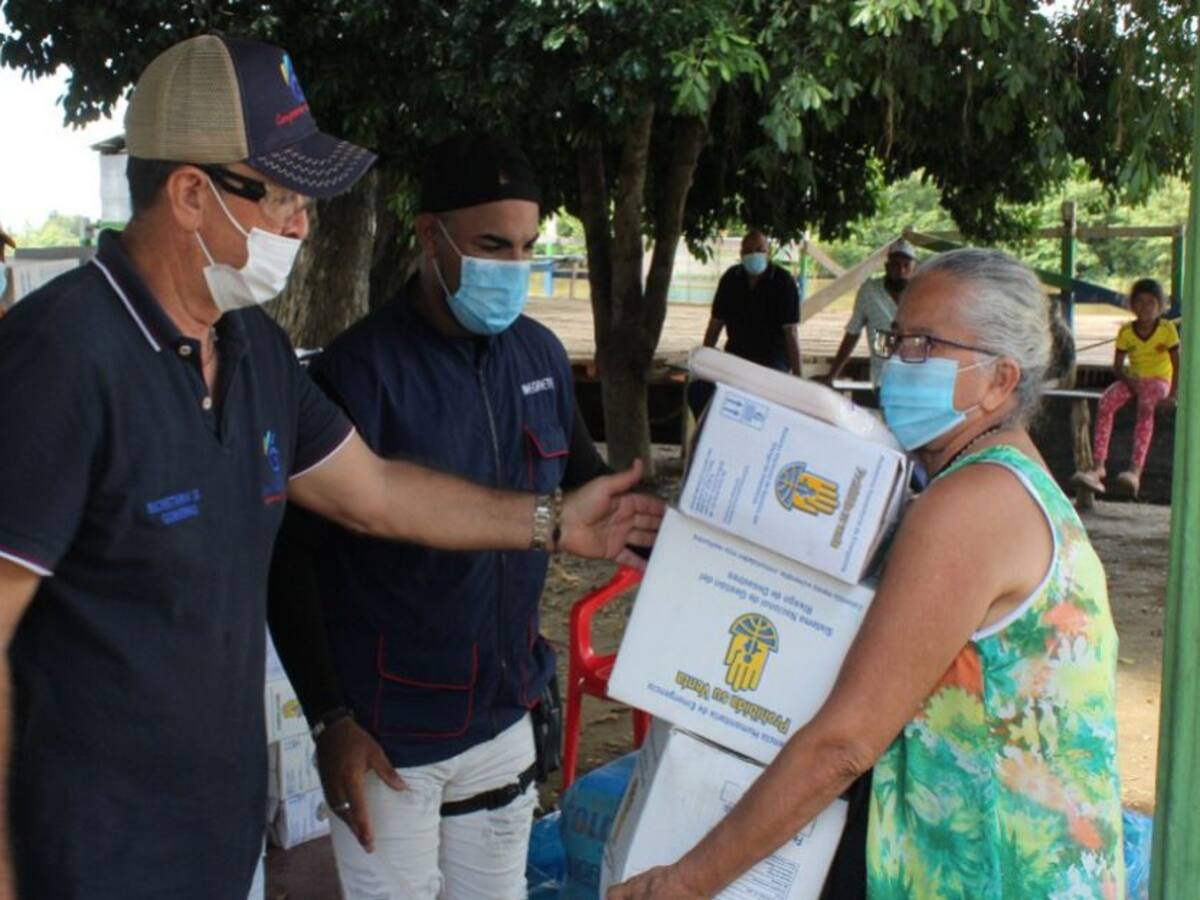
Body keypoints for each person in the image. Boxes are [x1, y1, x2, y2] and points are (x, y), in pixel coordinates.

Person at [0, 35, 662, 899]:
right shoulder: (60, 358)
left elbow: (376, 492)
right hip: (83, 855)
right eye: (280, 194)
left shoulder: (252, 352)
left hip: (216, 840)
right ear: (193, 194)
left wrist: (551, 520)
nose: (303, 223)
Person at [609, 248, 1124, 900]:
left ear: (1000, 380)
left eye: (923, 345)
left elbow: (846, 744)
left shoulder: (972, 505)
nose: (894, 363)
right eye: (894, 339)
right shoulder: (992, 483)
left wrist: (687, 882)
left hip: (992, 873)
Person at [266, 132, 619, 899]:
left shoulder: (540, 358)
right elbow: (290, 560)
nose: (513, 267)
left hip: (504, 714)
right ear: (432, 236)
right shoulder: (359, 372)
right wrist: (331, 718)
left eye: (528, 247)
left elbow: (594, 491)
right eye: (492, 245)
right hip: (390, 733)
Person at [1073, 277, 1179, 497]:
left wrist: (1173, 394)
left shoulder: (1167, 330)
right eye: (1139, 302)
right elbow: (1118, 367)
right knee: (1105, 403)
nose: (1145, 307)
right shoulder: (1126, 332)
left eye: (1151, 302)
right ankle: (1098, 467)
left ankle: (1135, 471)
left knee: (1146, 406)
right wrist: (1130, 382)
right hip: (1134, 379)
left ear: (1160, 306)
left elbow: (1177, 364)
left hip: (1160, 381)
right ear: (1132, 305)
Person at [688, 230, 801, 417]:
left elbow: (791, 333)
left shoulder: (784, 282)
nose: (754, 254)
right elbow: (715, 324)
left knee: (763, 399)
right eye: (748, 250)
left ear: (769, 252)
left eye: (760, 249)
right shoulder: (731, 279)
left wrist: (798, 379)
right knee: (698, 391)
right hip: (736, 357)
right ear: (741, 255)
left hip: (772, 360)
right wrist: (705, 361)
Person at [820, 239, 917, 388]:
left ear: (914, 268)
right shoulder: (869, 291)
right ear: (887, 266)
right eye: (896, 265)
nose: (901, 271)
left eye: (906, 265)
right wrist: (832, 375)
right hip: (883, 379)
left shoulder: (922, 294)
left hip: (917, 376)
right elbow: (853, 332)